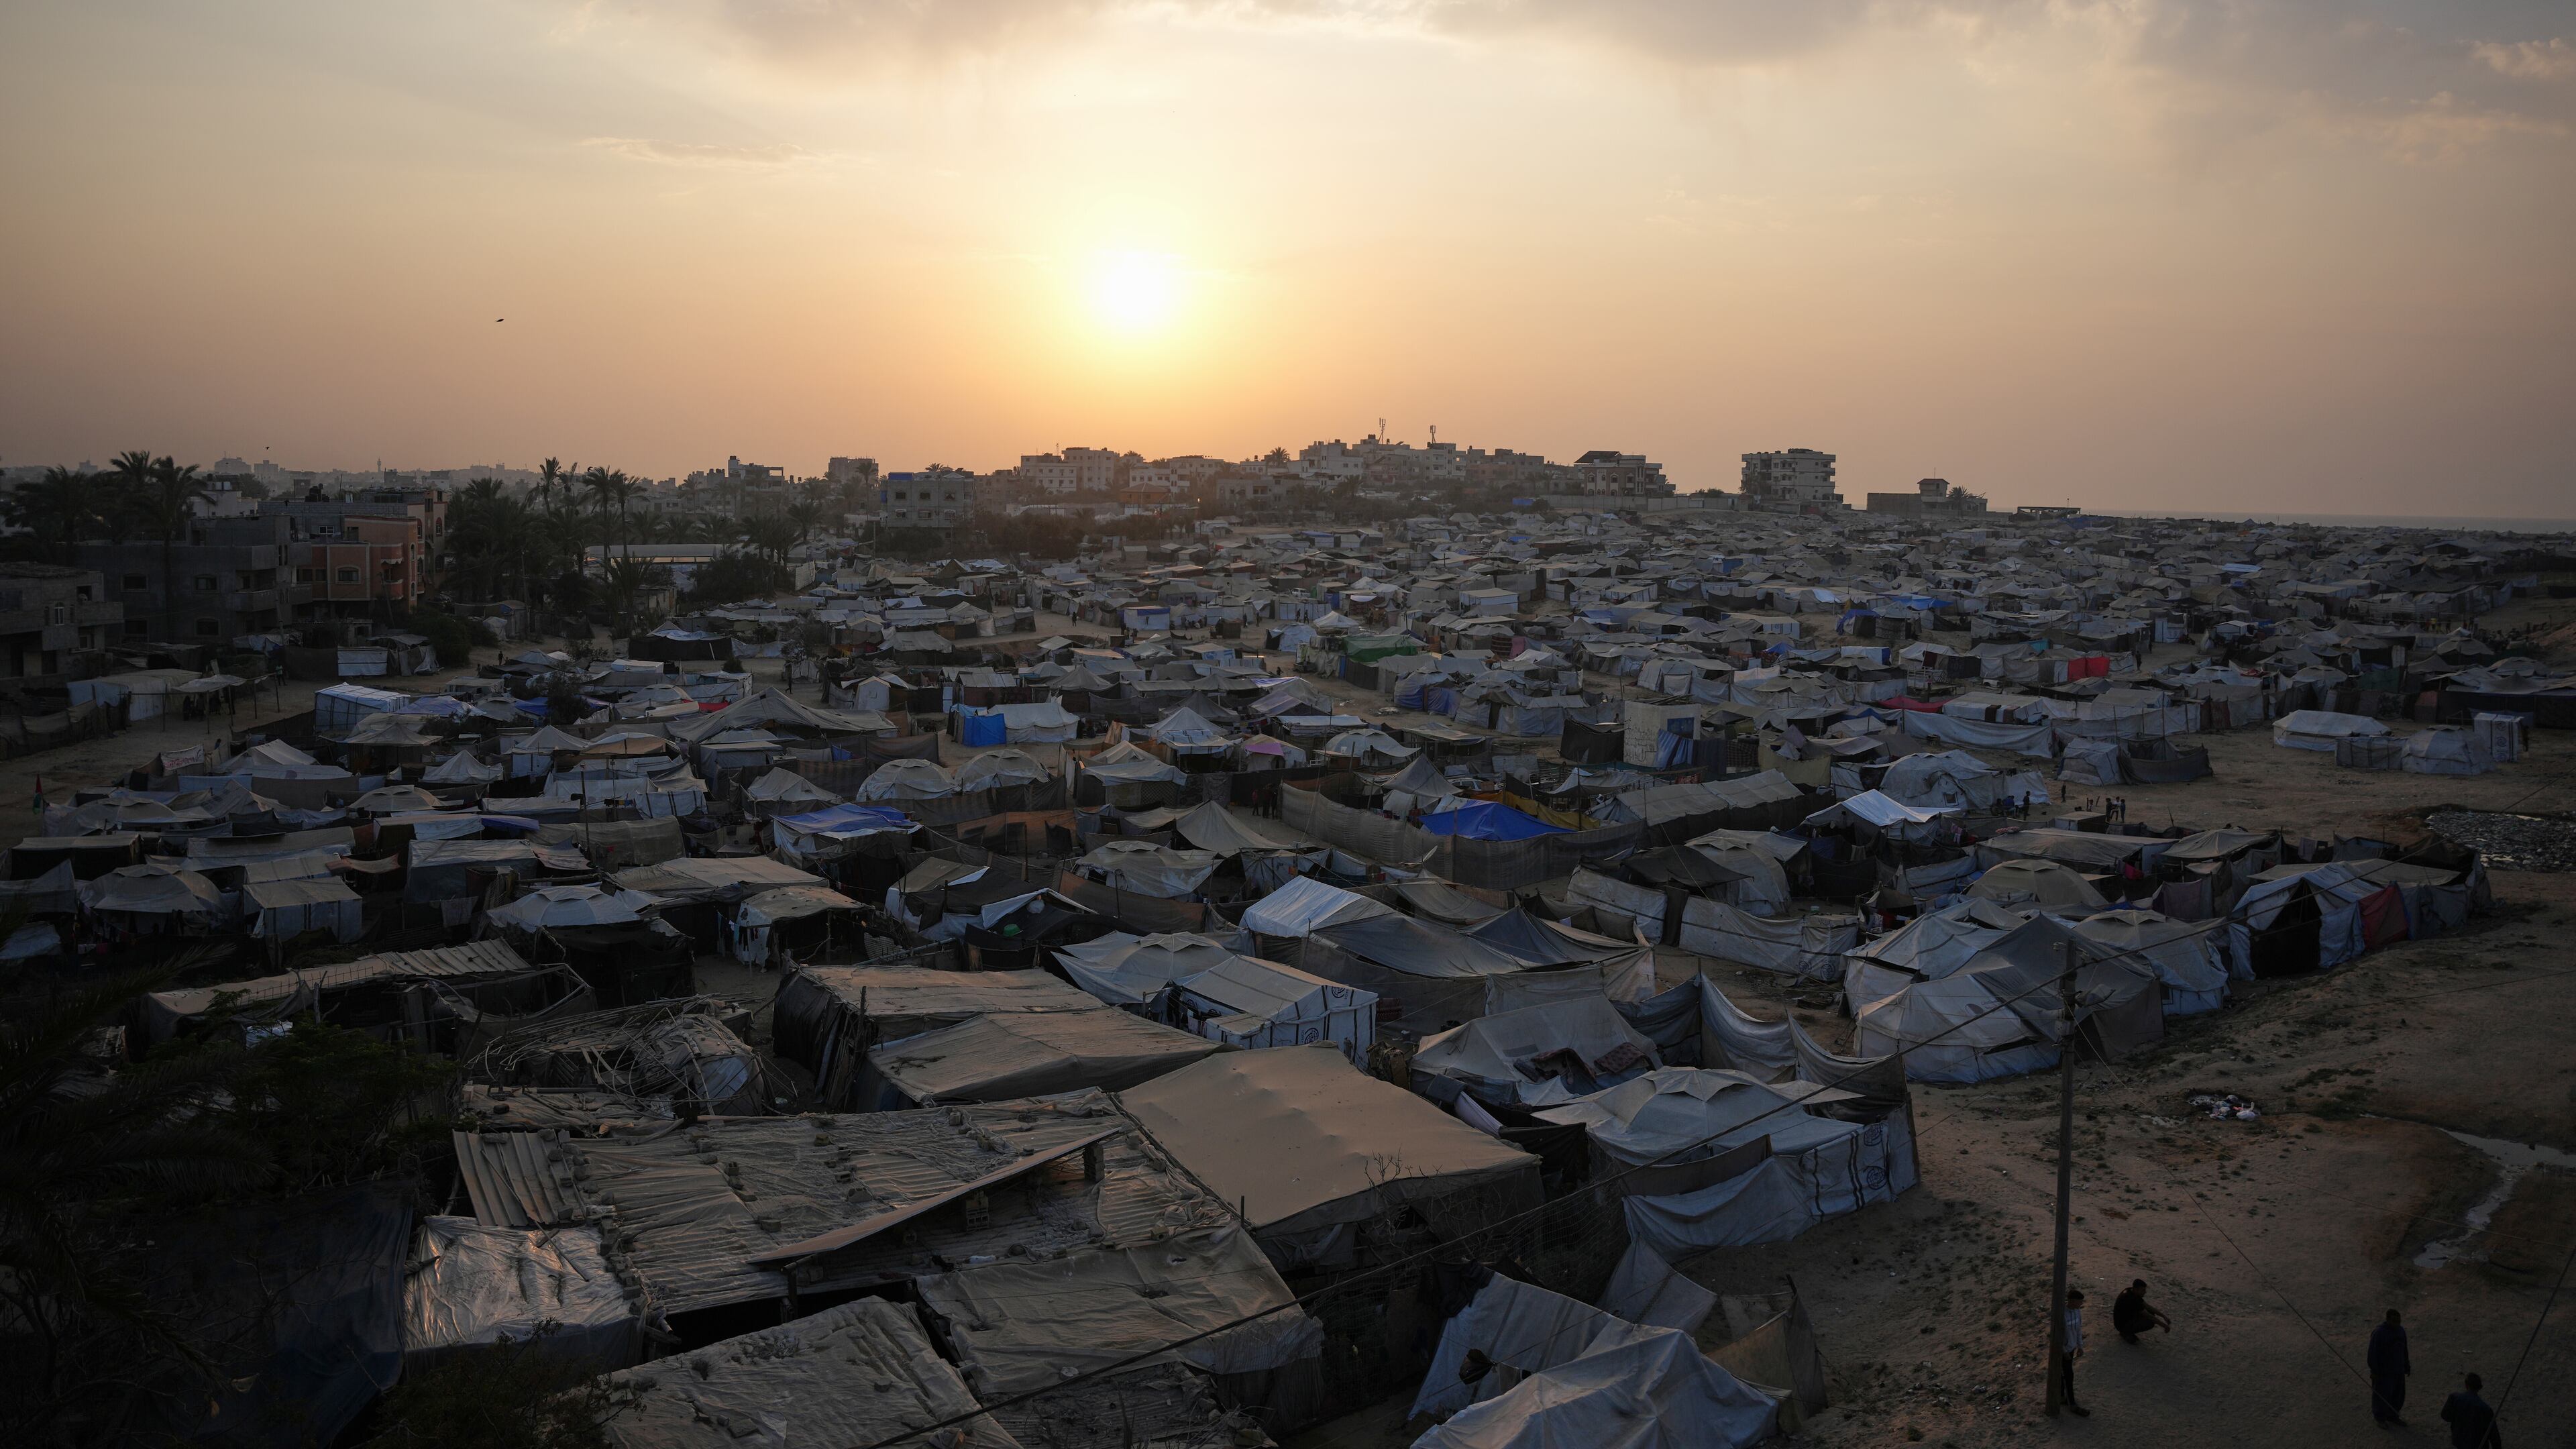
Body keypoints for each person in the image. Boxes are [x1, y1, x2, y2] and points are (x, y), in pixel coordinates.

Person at [2367, 1308, 2410, 1426]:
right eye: (2394, 1321)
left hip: (2398, 1370)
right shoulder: (2379, 1333)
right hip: (2384, 1372)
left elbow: (2404, 1349)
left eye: (2399, 1321)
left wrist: (2407, 1365)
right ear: (2387, 1320)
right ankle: (2380, 1418)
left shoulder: (2401, 1331)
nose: (2397, 1324)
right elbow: (2373, 1353)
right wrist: (2374, 1370)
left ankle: (2393, 1415)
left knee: (2398, 1395)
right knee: (2382, 1396)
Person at [2440, 1373, 2500, 1448]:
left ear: (2466, 1384)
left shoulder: (2455, 1398)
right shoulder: (2486, 1409)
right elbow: (2494, 1437)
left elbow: (2445, 1416)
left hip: (2461, 1443)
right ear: (2479, 1388)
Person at [2057, 1289, 2090, 1417]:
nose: (2081, 1304)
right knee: (2068, 1376)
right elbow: (2058, 1335)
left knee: (2064, 1374)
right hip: (2063, 1350)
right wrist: (2064, 1351)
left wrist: (2080, 1346)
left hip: (2071, 1349)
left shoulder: (2077, 1313)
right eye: (2079, 1302)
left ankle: (2061, 1396)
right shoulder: (2062, 1314)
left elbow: (2078, 1330)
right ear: (2072, 1301)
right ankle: (2072, 1404)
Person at [2113, 1279, 2171, 1344]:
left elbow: (2147, 1306)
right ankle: (2126, 1332)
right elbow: (2149, 1316)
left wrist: (2163, 1316)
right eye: (2143, 1290)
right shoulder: (2132, 1300)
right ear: (2136, 1289)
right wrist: (2165, 1326)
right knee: (2150, 1323)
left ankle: (2127, 1331)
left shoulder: (2130, 1291)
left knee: (2151, 1313)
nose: (2145, 1292)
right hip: (2121, 1324)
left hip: (2123, 1319)